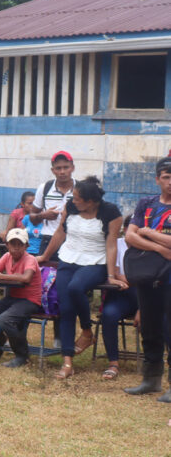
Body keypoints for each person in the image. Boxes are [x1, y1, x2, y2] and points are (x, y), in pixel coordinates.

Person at [38, 176, 123, 377]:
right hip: (69, 258)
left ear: (91, 202)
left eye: (77, 198)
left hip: (95, 261)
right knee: (66, 309)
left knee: (76, 287)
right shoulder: (71, 207)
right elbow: (60, 232)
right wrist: (46, 256)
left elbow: (111, 245)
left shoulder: (111, 213)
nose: (73, 200)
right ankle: (67, 363)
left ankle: (86, 330)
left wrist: (111, 275)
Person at [123, 158, 171, 400]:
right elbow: (130, 236)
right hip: (148, 273)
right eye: (166, 177)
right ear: (157, 179)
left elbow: (140, 233)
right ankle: (151, 379)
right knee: (149, 327)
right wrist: (161, 249)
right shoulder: (146, 203)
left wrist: (149, 232)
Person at [0, 228, 45, 368]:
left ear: (26, 246)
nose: (16, 247)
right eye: (12, 244)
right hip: (13, 297)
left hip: (30, 300)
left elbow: (26, 278)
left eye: (20, 244)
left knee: (6, 319)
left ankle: (22, 355)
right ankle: (1, 342)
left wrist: (1, 276)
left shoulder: (30, 259)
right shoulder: (6, 257)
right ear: (7, 245)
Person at [98, 216, 138, 380]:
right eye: (132, 228)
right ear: (125, 229)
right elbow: (113, 270)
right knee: (108, 315)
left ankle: (155, 363)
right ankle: (113, 363)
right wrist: (121, 277)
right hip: (121, 295)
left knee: (161, 315)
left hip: (144, 296)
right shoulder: (117, 244)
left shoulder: (148, 247)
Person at [29, 151, 77, 254]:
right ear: (53, 170)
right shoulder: (45, 188)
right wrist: (43, 215)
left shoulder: (81, 189)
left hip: (75, 241)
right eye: (58, 168)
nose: (62, 171)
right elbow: (32, 217)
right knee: (46, 270)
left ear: (72, 168)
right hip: (48, 240)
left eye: (66, 167)